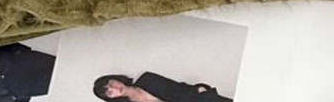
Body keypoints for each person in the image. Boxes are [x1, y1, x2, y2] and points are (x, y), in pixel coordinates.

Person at [93, 72, 231, 102]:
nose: (115, 89)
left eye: (111, 84)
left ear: (116, 79)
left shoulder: (147, 79)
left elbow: (178, 90)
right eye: (110, 93)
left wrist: (198, 89)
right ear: (111, 98)